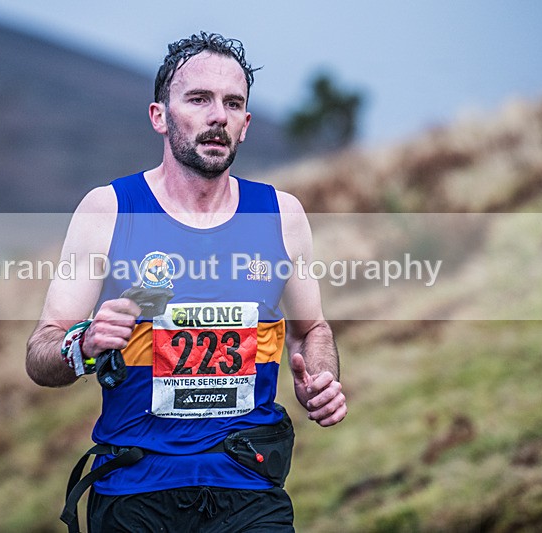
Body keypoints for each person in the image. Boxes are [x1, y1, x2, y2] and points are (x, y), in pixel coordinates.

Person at [26, 31, 347, 532]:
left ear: (245, 125)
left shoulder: (281, 215)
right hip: (136, 489)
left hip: (248, 484)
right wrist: (83, 343)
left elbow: (312, 330)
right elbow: (41, 352)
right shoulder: (108, 210)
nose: (217, 115)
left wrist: (320, 381)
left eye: (232, 103)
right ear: (160, 115)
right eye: (198, 99)